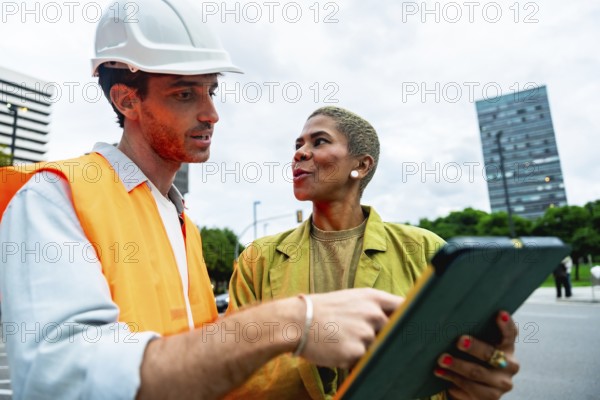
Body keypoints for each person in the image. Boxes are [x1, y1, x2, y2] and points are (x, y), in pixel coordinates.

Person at [0, 2, 406, 399]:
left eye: (211, 91)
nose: (211, 113)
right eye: (184, 94)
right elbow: (58, 379)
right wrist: (291, 321)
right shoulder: (55, 196)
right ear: (127, 100)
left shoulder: (182, 226)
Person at [227, 106, 520, 399]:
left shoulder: (425, 250)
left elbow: (457, 361)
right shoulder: (259, 259)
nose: (300, 153)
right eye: (298, 145)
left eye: (319, 142)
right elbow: (233, 369)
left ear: (362, 165)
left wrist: (476, 381)